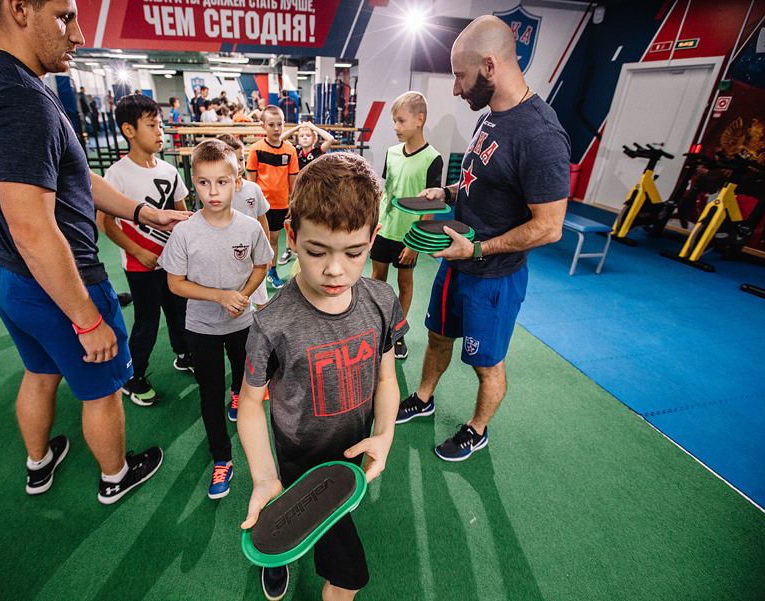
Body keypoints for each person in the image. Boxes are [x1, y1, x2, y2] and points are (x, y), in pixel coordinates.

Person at [0, 0, 190, 503]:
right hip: (54, 281)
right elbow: (31, 226)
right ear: (20, 9)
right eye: (65, 17)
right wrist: (86, 318)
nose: (79, 32)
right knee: (102, 389)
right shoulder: (21, 99)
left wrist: (143, 212)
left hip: (6, 275)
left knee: (40, 371)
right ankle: (116, 476)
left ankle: (39, 462)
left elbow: (71, 174)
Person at [395, 15, 570, 462]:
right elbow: (483, 180)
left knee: (485, 363)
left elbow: (549, 226)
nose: (455, 89)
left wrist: (479, 249)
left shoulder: (541, 135)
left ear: (490, 66)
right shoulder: (492, 114)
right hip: (457, 262)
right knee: (437, 336)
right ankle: (424, 396)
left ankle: (477, 428)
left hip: (493, 276)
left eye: (460, 75)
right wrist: (447, 191)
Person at [238, 152, 407, 601]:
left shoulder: (381, 300)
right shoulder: (271, 323)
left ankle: (288, 546)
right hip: (298, 466)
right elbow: (250, 405)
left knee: (310, 531)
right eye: (316, 251)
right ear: (291, 235)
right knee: (349, 574)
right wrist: (263, 476)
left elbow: (387, 380)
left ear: (373, 238)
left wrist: (385, 434)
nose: (335, 269)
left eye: (354, 253)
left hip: (350, 456)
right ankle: (281, 552)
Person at [159, 139, 271, 500]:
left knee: (246, 386)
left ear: (237, 182)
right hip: (201, 328)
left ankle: (238, 396)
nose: (213, 191)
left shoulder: (250, 227)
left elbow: (262, 263)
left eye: (222, 182)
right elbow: (175, 284)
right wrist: (220, 296)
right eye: (204, 182)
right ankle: (222, 458)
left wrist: (244, 294)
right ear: (193, 182)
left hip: (243, 324)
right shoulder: (185, 231)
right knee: (210, 395)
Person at [97, 94, 192, 407]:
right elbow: (106, 223)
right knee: (147, 324)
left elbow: (182, 216)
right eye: (151, 125)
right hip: (142, 266)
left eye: (161, 124)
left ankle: (183, 354)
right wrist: (137, 252)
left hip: (174, 264)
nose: (160, 131)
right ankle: (133, 377)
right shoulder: (117, 174)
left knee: (180, 314)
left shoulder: (169, 170)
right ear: (129, 130)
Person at [370, 91, 443, 360]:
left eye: (401, 121)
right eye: (394, 122)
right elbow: (385, 192)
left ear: (419, 120)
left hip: (408, 236)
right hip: (383, 229)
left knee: (405, 283)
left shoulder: (432, 158)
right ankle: (378, 326)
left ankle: (397, 333)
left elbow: (432, 205)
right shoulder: (391, 152)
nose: (396, 128)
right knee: (377, 281)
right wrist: (372, 226)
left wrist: (415, 243)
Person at [246, 105, 299, 289]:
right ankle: (253, 272)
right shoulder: (256, 149)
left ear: (284, 124)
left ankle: (272, 271)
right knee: (257, 240)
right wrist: (251, 205)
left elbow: (294, 181)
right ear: (263, 127)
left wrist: (293, 203)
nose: (276, 129)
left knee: (274, 240)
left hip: (280, 205)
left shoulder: (290, 150)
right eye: (271, 125)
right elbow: (251, 183)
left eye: (279, 124)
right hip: (260, 206)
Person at [216, 134, 270, 311]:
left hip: (254, 259)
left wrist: (266, 252)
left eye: (241, 159)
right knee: (233, 298)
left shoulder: (253, 188)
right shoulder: (216, 193)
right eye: (233, 160)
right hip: (228, 258)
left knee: (261, 298)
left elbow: (262, 219)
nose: (239, 166)